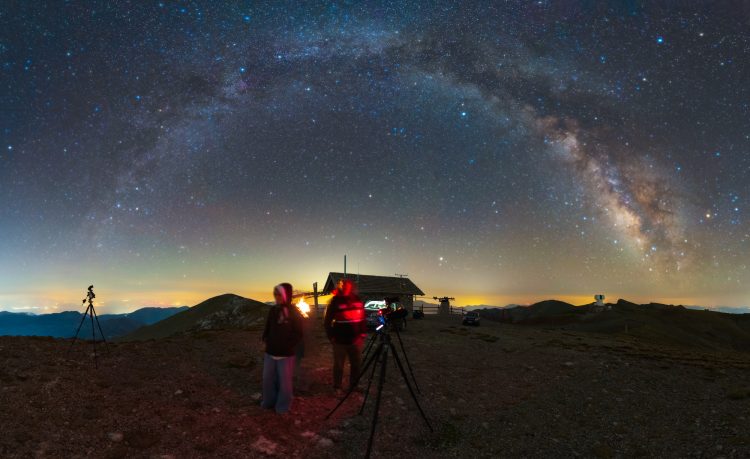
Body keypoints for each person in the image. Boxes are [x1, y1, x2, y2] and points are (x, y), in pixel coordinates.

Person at [261, 283, 303, 414]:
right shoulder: (273, 310)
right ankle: (268, 402)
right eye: (275, 294)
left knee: (284, 382)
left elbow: (298, 332)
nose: (276, 297)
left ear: (285, 295)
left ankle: (282, 406)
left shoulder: (293, 311)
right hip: (271, 352)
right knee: (267, 379)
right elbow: (268, 327)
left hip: (286, 354)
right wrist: (266, 338)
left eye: (279, 294)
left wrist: (288, 345)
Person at [324, 278, 367, 392]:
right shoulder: (335, 301)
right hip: (339, 341)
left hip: (355, 341)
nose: (345, 287)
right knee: (338, 366)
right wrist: (332, 337)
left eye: (347, 285)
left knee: (356, 365)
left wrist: (362, 335)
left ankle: (354, 385)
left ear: (351, 287)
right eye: (342, 285)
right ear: (340, 287)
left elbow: (363, 319)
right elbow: (327, 321)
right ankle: (337, 387)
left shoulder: (357, 300)